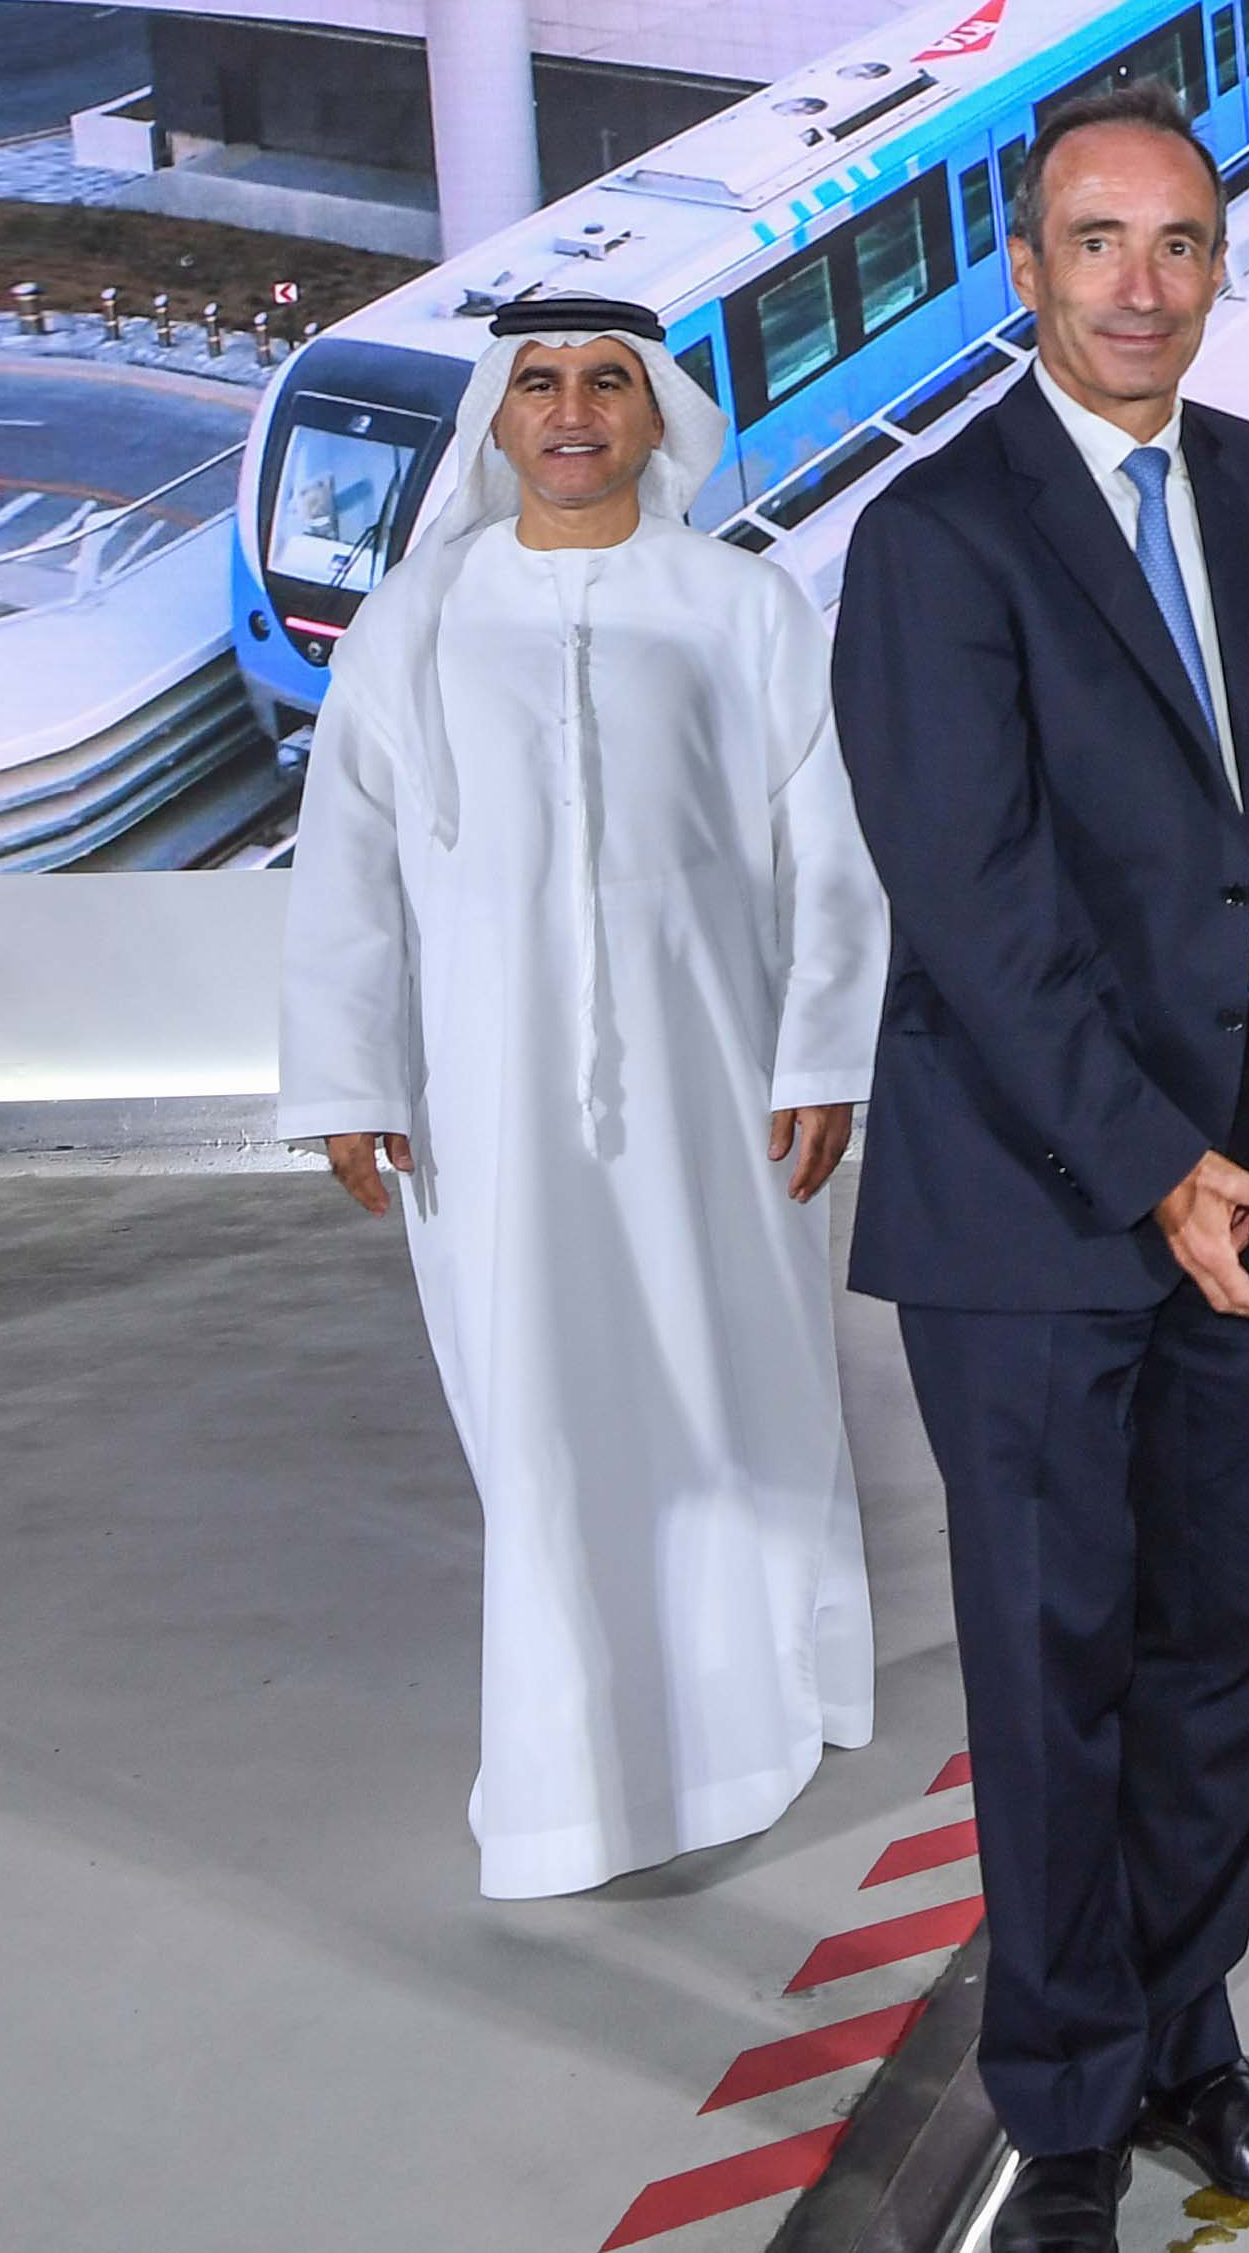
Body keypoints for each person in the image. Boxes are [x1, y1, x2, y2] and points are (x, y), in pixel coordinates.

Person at [831, 80, 1249, 2253]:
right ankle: (1059, 2107)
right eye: (1098, 240)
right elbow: (976, 899)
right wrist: (1159, 1165)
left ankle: (1180, 2037)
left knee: (1237, 1646)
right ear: (1025, 268)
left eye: (1179, 241)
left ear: (1220, 265)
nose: (1142, 284)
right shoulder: (936, 535)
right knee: (1056, 1670)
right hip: (1040, 1198)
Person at [277, 295, 886, 1899]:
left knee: (737, 1385)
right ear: (496, 416)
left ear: (654, 413)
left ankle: (764, 1698)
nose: (570, 409)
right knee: (539, 1416)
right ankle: (570, 1780)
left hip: (717, 1089)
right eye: (537, 382)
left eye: (607, 380)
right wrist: (349, 1070)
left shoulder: (740, 603)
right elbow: (348, 865)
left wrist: (821, 1054)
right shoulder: (415, 617)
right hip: (489, 1106)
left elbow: (827, 849)